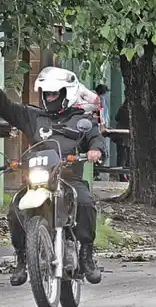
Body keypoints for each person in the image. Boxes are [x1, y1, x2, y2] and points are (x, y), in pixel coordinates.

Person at [1, 67, 105, 286]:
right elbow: (7, 108)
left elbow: (95, 138)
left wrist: (96, 150)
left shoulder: (80, 120)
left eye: (53, 93)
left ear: (67, 93)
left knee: (85, 202)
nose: (49, 97)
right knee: (15, 207)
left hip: (69, 178)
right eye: (46, 93)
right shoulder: (32, 116)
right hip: (37, 180)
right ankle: (21, 258)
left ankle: (87, 255)